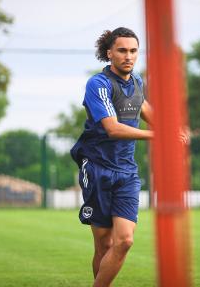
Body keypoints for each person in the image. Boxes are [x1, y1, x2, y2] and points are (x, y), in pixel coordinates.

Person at [70, 27, 153, 287]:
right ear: (110, 53)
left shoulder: (137, 82)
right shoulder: (99, 84)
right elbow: (113, 128)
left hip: (127, 171)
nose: (128, 56)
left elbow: (144, 107)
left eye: (133, 51)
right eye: (122, 50)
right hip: (96, 168)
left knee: (125, 240)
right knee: (104, 243)